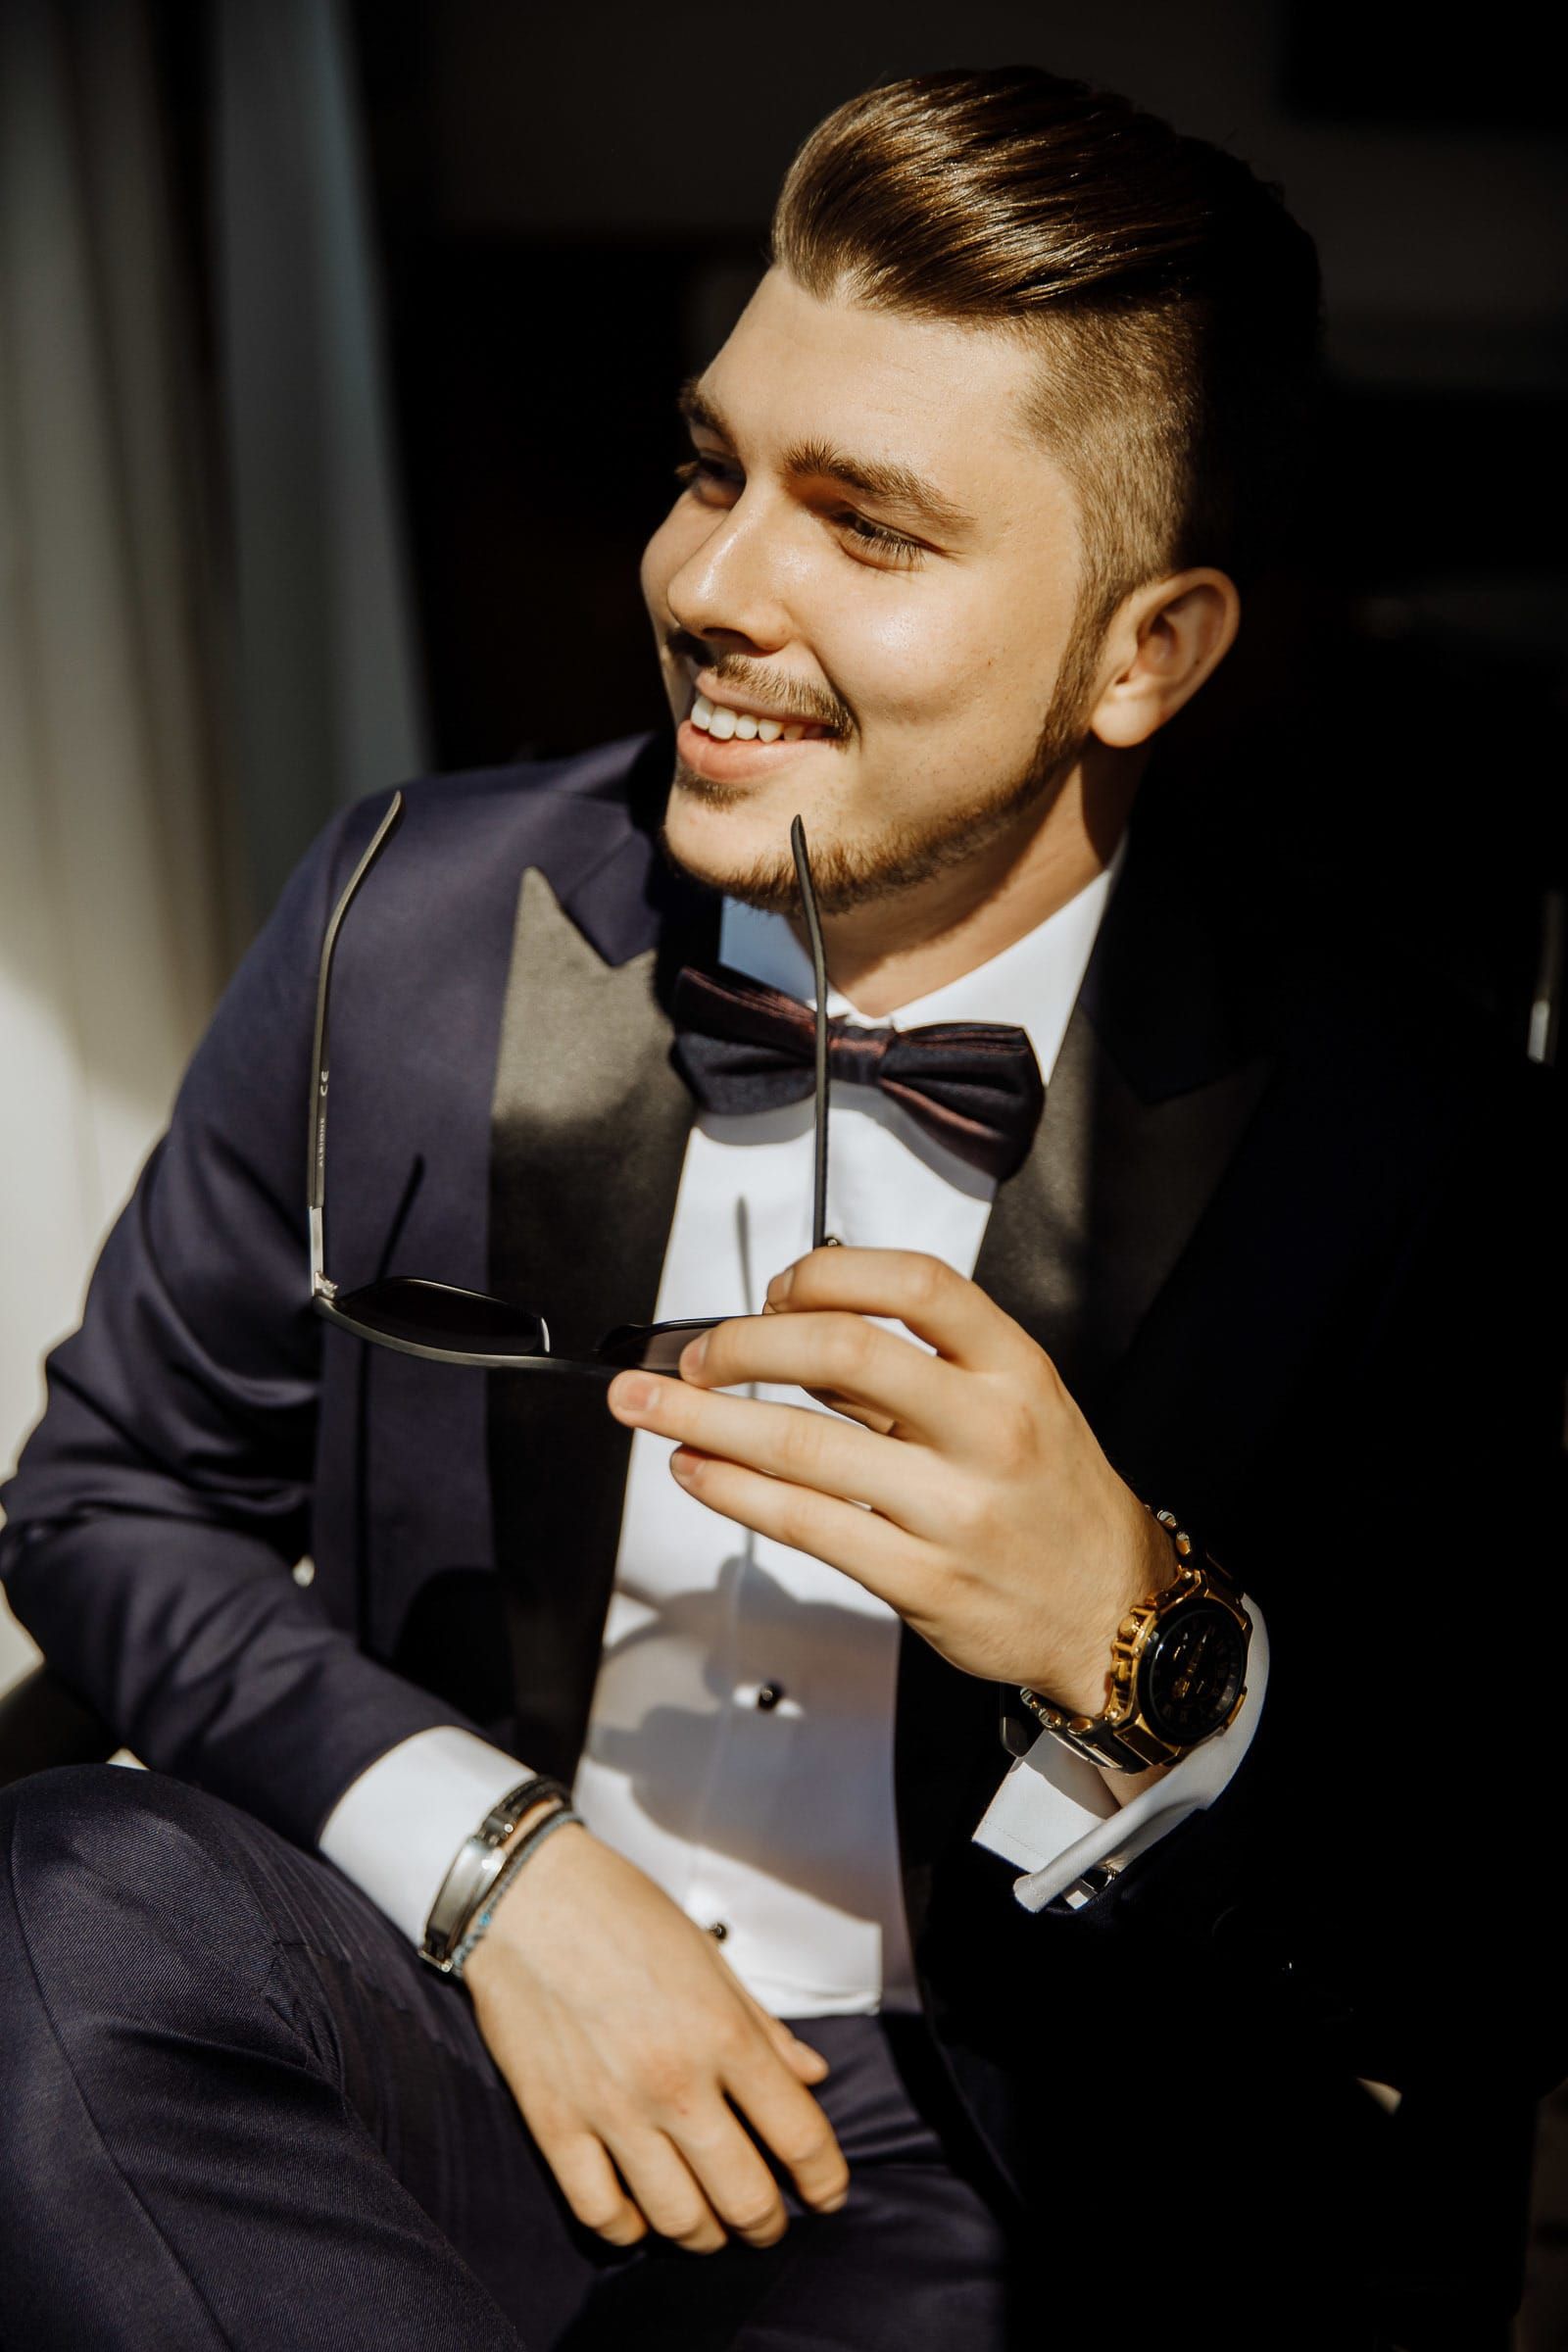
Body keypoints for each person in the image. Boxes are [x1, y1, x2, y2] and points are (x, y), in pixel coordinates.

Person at [0, 63, 1560, 2352]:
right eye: (709, 468)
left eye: (868, 524)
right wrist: (492, 1872)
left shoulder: (1397, 1133)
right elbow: (109, 1492)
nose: (705, 584)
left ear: (1145, 651)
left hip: (1014, 2162)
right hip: (450, 2032)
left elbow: (1480, 1905)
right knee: (58, 1901)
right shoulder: (403, 928)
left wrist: (1131, 1640)